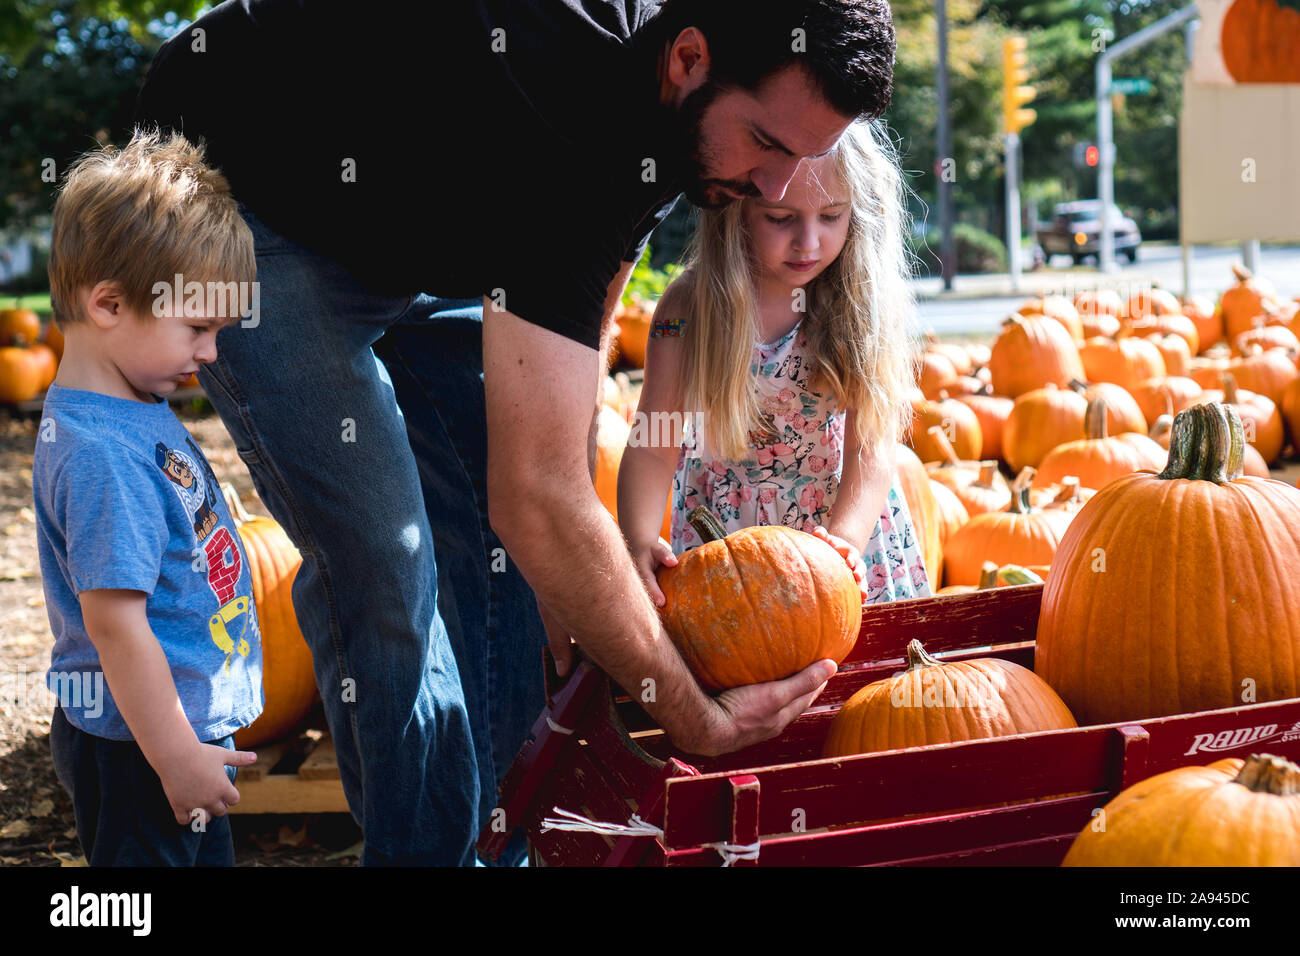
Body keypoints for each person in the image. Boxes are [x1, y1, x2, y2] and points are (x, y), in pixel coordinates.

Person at [133, 0, 899, 865]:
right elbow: (536, 496)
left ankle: (507, 845)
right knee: (384, 562)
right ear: (688, 59)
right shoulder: (558, 106)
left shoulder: (675, 112)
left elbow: (597, 287)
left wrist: (565, 557)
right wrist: (696, 718)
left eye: (803, 158)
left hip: (445, 223)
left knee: (511, 571)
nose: (776, 186)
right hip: (258, 205)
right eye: (766, 145)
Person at [33, 130, 262, 866]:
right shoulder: (103, 455)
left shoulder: (128, 406)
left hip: (167, 732)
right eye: (197, 328)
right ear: (108, 303)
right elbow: (117, 628)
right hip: (140, 745)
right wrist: (173, 757)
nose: (211, 353)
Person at [619, 121, 930, 608]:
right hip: (726, 540)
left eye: (831, 216)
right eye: (781, 219)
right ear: (736, 208)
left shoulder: (860, 306)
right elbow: (654, 437)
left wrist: (843, 541)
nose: (808, 242)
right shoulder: (687, 310)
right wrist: (637, 538)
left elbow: (871, 450)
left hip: (838, 529)